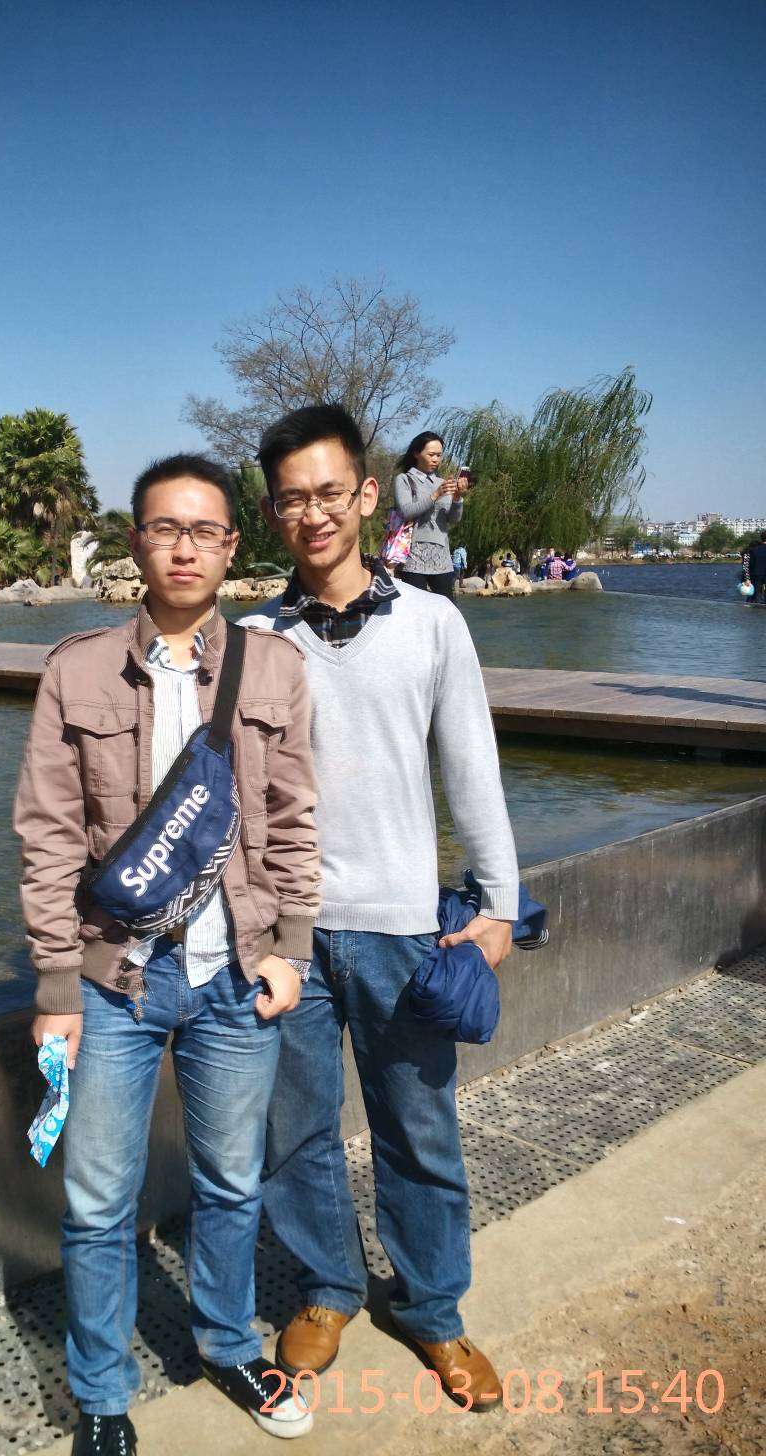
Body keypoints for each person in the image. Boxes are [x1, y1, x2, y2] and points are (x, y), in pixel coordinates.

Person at [14, 454, 321, 1454]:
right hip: (115, 982)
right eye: (164, 527)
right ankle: (103, 1396)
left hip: (236, 977)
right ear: (136, 542)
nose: (184, 547)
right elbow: (48, 835)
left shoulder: (274, 668)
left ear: (232, 547)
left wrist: (292, 949)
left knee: (232, 1183)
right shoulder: (76, 669)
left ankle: (228, 1344)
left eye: (205, 531)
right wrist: (56, 984)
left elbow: (295, 817)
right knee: (98, 1204)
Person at [243, 404, 519, 1412]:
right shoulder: (251, 639)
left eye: (330, 492)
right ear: (272, 514)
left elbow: (472, 768)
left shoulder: (434, 624)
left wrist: (499, 901)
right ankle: (329, 1286)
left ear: (367, 495)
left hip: (405, 926)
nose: (313, 514)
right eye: (292, 499)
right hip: (287, 937)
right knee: (295, 1130)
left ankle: (435, 1307)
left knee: (420, 1131)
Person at [390, 435, 469, 599]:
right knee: (416, 609)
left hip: (442, 559)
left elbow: (453, 519)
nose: (436, 459)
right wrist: (436, 494)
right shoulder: (404, 480)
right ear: (416, 453)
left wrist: (457, 498)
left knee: (448, 608)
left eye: (439, 455)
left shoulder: (442, 482)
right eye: (431, 454)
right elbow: (407, 511)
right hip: (413, 558)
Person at [742, 531, 766, 604]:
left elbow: (747, 566)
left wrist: (747, 578)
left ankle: (754, 608)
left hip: (756, 575)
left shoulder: (753, 550)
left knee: (755, 597)